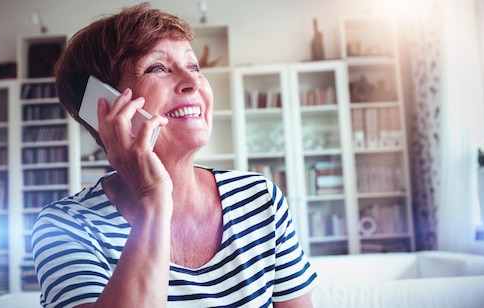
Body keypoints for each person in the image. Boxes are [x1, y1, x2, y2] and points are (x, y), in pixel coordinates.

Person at [31, 3, 318, 307]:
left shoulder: (260, 199)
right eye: (158, 68)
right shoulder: (64, 226)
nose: (193, 81)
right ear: (102, 105)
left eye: (193, 67)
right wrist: (152, 198)